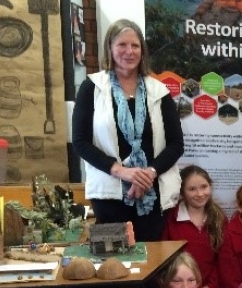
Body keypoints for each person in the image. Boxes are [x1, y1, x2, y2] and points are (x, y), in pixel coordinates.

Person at [72, 19, 184, 241]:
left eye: (135, 45)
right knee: (114, 260)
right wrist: (122, 172)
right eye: (122, 45)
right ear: (110, 48)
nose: (129, 51)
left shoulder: (159, 91)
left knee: (151, 264)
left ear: (142, 51)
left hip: (154, 193)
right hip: (110, 195)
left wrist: (147, 175)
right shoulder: (92, 87)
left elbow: (176, 144)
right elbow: (81, 142)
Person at [161, 165, 227, 288]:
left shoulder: (220, 218)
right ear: (182, 192)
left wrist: (210, 287)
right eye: (192, 189)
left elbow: (223, 260)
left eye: (204, 187)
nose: (200, 194)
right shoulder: (170, 218)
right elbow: (164, 260)